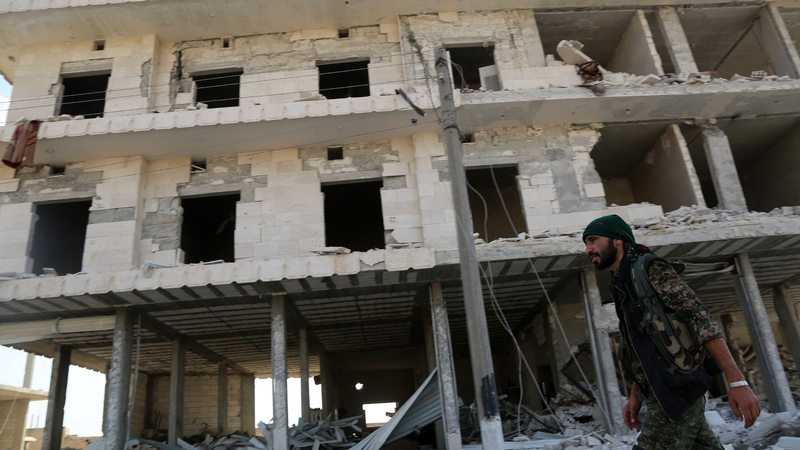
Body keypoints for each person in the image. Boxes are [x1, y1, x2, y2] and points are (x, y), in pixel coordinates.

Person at [582, 214, 761, 450]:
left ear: (618, 239)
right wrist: (635, 395)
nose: (588, 249)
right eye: (586, 243)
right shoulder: (621, 283)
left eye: (593, 240)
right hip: (662, 390)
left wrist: (737, 382)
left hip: (678, 387)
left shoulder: (650, 268)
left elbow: (700, 317)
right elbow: (641, 348)